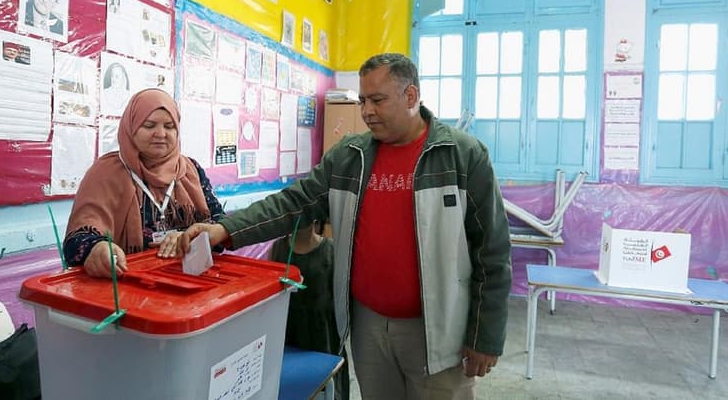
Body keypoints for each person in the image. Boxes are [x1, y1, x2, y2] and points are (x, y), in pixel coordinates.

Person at [174, 53, 512, 399]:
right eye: (363, 100)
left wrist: (485, 336)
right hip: (368, 327)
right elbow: (294, 202)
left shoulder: (462, 155)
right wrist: (225, 230)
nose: (367, 111)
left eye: (377, 100)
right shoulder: (350, 156)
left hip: (438, 330)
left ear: (411, 96)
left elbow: (492, 251)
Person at [63, 88, 224, 278]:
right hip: (128, 284)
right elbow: (78, 239)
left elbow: (221, 224)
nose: (161, 134)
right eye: (149, 125)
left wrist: (191, 236)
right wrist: (96, 248)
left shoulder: (191, 170)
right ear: (131, 128)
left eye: (169, 126)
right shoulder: (106, 173)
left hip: (192, 280)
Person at [269, 220, 349, 400]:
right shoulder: (277, 249)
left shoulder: (331, 251)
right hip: (288, 339)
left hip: (323, 339)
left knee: (328, 388)